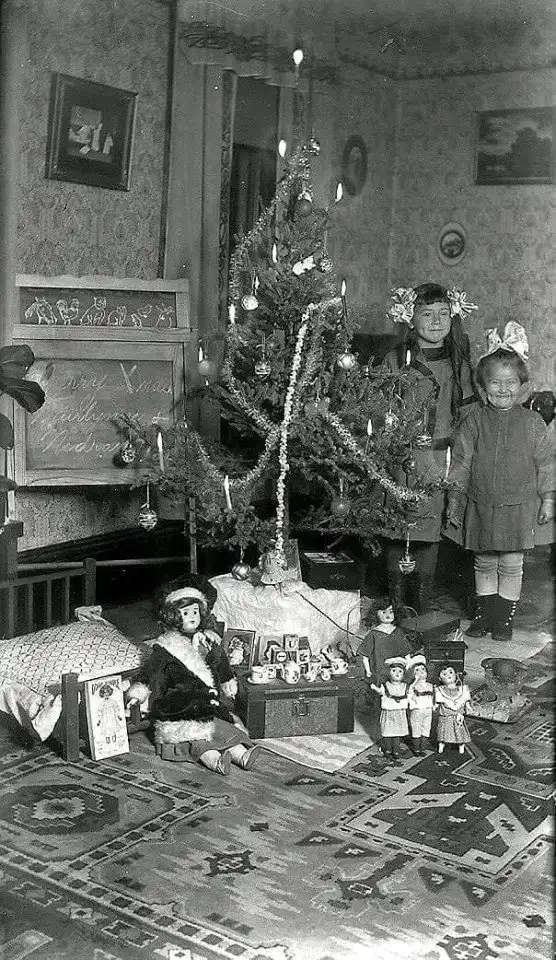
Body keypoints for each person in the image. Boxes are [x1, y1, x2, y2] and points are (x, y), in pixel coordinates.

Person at [445, 322, 554, 641]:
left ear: (522, 386)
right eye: (495, 382)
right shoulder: (473, 421)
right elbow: (461, 462)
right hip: (482, 503)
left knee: (511, 562)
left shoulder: (532, 422)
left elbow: (546, 463)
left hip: (519, 506)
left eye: (510, 382)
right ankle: (484, 615)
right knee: (484, 562)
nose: (503, 389)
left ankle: (504, 620)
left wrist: (549, 498)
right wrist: (455, 498)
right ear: (482, 386)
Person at [382, 283, 478, 615]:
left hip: (439, 460)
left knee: (429, 531)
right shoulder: (395, 360)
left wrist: (460, 469)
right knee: (399, 528)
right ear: (410, 318)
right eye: (427, 314)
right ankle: (396, 603)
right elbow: (379, 410)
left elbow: (466, 421)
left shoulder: (459, 365)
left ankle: (421, 604)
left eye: (443, 314)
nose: (436, 322)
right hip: (402, 458)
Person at [126, 576, 261, 775]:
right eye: (186, 612)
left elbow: (220, 663)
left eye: (196, 611)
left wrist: (227, 680)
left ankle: (241, 754)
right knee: (196, 735)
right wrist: (138, 693)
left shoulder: (207, 640)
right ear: (174, 615)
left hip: (206, 701)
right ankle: (214, 760)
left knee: (222, 727)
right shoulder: (165, 647)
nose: (192, 617)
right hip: (177, 704)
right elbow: (150, 672)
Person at [368, 655, 410, 759]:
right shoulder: (385, 685)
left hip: (399, 712)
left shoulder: (405, 686)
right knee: (387, 732)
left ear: (403, 674)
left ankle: (396, 750)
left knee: (397, 732)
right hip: (388, 712)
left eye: (400, 671)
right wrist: (374, 688)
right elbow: (381, 692)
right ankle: (387, 749)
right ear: (389, 672)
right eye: (394, 671)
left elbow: (410, 694)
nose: (397, 673)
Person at [358, 603, 412, 683]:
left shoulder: (398, 632)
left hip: (398, 671)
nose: (388, 615)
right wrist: (368, 670)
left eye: (391, 612)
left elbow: (406, 652)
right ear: (376, 614)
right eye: (383, 612)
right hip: (379, 672)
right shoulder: (373, 634)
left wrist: (409, 665)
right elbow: (365, 655)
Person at [434, 664, 471, 754]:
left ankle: (461, 744)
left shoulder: (462, 689)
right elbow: (437, 703)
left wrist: (468, 706)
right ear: (440, 678)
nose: (448, 675)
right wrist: (434, 706)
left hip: (458, 715)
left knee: (460, 730)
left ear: (456, 674)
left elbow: (465, 700)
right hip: (446, 716)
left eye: (450, 672)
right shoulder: (439, 690)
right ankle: (441, 744)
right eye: (444, 674)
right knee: (443, 731)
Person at [406, 654, 434, 755]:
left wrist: (434, 705)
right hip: (417, 710)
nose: (421, 671)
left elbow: (434, 696)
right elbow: (409, 693)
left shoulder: (430, 685)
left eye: (423, 669)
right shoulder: (413, 686)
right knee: (416, 728)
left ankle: (423, 747)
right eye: (417, 670)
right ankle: (416, 748)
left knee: (426, 728)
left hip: (428, 710)